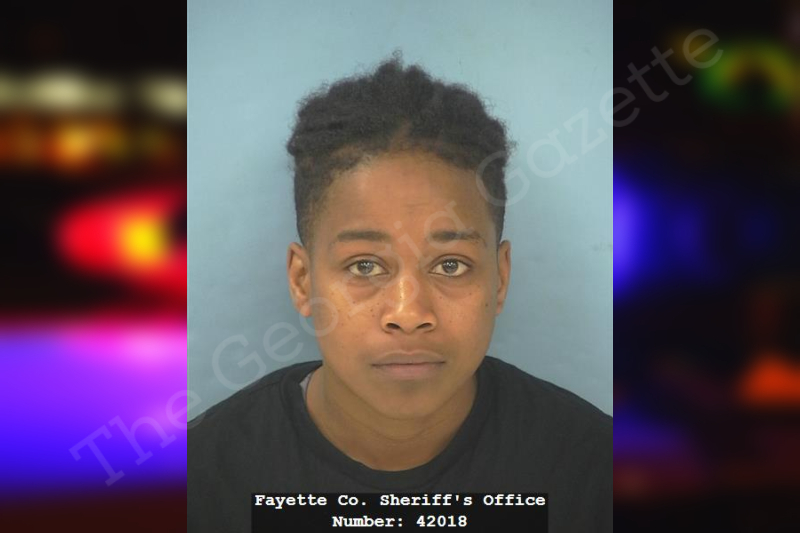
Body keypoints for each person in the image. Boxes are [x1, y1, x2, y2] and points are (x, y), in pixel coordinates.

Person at [188, 53, 611, 532]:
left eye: (450, 265)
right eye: (364, 265)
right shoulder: (201, 480)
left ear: (500, 278)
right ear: (303, 281)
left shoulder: (594, 471)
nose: (409, 314)